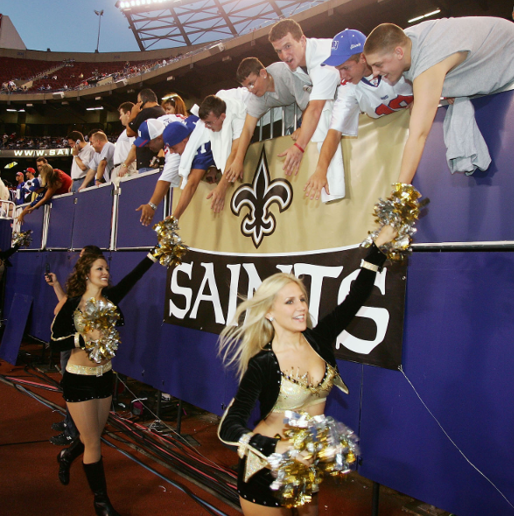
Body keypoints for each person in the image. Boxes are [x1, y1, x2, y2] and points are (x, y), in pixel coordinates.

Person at [217, 225, 396, 515]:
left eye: (301, 298)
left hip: (307, 462)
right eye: (290, 301)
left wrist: (377, 248)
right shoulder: (263, 363)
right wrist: (277, 449)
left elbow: (355, 298)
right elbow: (229, 426)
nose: (301, 306)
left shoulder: (319, 339)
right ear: (269, 312)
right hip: (266, 465)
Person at [364, 18, 514, 183]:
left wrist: (399, 194)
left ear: (398, 52)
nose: (375, 73)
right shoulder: (404, 39)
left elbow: (418, 136)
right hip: (492, 64)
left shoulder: (429, 64)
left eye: (378, 65)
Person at [48, 249, 157, 515]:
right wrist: (82, 339)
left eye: (106, 268)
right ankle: (101, 502)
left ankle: (67, 455)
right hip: (79, 379)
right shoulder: (72, 304)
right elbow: (53, 342)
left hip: (104, 376)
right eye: (99, 269)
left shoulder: (109, 300)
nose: (105, 272)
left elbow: (134, 276)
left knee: (94, 436)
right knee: (94, 442)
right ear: (87, 274)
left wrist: (154, 255)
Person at [305, 29, 413, 200]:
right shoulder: (348, 89)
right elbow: (334, 132)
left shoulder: (394, 64)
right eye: (338, 69)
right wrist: (321, 169)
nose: (342, 76)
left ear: (363, 58)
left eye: (346, 68)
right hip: (394, 148)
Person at [268, 19, 343, 196]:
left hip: (379, 91)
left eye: (288, 46)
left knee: (324, 113)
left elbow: (316, 108)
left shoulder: (322, 60)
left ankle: (332, 184)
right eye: (278, 51)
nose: (284, 55)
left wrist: (300, 147)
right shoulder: (302, 63)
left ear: (302, 40)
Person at [45, 244, 102, 446]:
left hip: (77, 346)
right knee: (70, 387)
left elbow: (60, 310)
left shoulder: (88, 287)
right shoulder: (80, 284)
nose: (77, 259)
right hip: (71, 342)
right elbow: (63, 306)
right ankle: (71, 424)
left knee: (74, 388)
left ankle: (73, 431)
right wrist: (56, 285)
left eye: (82, 256)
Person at [226, 58, 310, 184]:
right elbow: (248, 129)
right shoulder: (257, 97)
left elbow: (310, 104)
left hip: (319, 103)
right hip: (297, 111)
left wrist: (303, 127)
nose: (250, 90)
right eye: (246, 87)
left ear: (263, 74)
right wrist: (238, 160)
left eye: (251, 83)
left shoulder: (284, 72)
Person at [161, 120, 216, 221]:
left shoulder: (202, 150)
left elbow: (191, 184)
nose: (172, 152)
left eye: (173, 148)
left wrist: (175, 216)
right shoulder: (187, 124)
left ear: (185, 141)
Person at [126, 89, 166, 173]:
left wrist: (133, 114)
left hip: (147, 162)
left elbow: (129, 132)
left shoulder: (146, 112)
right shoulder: (162, 111)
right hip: (158, 158)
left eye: (138, 102)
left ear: (142, 101)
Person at [112, 102, 136, 179]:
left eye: (121, 114)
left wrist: (125, 165)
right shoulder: (126, 131)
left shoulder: (132, 129)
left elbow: (135, 148)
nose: (120, 118)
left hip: (126, 167)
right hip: (121, 166)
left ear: (128, 113)